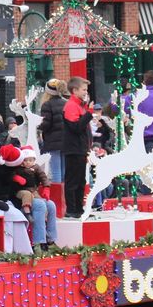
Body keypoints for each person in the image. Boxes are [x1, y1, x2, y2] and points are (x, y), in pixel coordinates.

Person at [62, 77, 96, 218]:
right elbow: (75, 127)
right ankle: (72, 209)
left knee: (81, 180)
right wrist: (89, 113)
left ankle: (78, 209)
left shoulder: (79, 105)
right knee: (74, 180)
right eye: (83, 89)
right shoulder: (71, 106)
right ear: (74, 90)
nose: (85, 92)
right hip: (74, 148)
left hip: (80, 148)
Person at [19, 146, 57, 249]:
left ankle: (50, 238)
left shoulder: (36, 168)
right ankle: (39, 242)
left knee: (51, 205)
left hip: (34, 193)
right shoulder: (18, 168)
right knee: (40, 205)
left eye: (30, 160)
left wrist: (46, 187)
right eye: (25, 160)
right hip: (21, 195)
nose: (27, 162)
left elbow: (43, 177)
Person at [37, 79, 69, 186]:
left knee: (56, 170)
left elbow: (46, 124)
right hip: (66, 140)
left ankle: (58, 196)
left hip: (53, 141)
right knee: (64, 170)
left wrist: (38, 126)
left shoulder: (47, 105)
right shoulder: (66, 103)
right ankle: (65, 195)